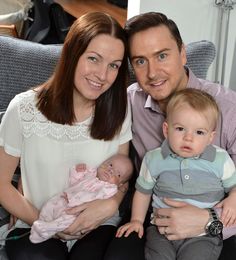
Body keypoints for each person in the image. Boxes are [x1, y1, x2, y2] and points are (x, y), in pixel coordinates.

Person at [103, 11, 236, 260]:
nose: (153, 73)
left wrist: (210, 222)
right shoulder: (130, 101)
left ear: (183, 53)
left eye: (162, 56)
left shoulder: (229, 108)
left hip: (218, 224)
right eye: (141, 61)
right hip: (154, 222)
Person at [0, 12, 132, 260]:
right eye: (94, 59)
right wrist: (48, 222)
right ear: (72, 54)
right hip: (37, 221)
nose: (102, 76)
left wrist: (111, 204)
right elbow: (1, 183)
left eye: (113, 65)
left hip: (98, 224)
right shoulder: (24, 108)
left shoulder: (119, 109)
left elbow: (120, 178)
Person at [116, 88, 236, 260]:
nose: (188, 138)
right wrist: (136, 220)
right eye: (180, 129)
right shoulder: (154, 158)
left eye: (199, 132)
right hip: (161, 229)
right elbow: (143, 192)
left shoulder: (220, 159)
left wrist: (233, 197)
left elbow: (234, 186)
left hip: (203, 234)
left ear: (211, 137)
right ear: (166, 130)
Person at [30, 154, 133, 243]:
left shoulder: (109, 188)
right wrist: (78, 171)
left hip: (78, 212)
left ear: (120, 184)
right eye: (110, 165)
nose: (111, 171)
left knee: (67, 222)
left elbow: (103, 200)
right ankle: (41, 224)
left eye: (118, 174)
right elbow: (74, 181)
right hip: (64, 200)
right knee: (49, 206)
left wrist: (116, 189)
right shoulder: (90, 173)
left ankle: (48, 229)